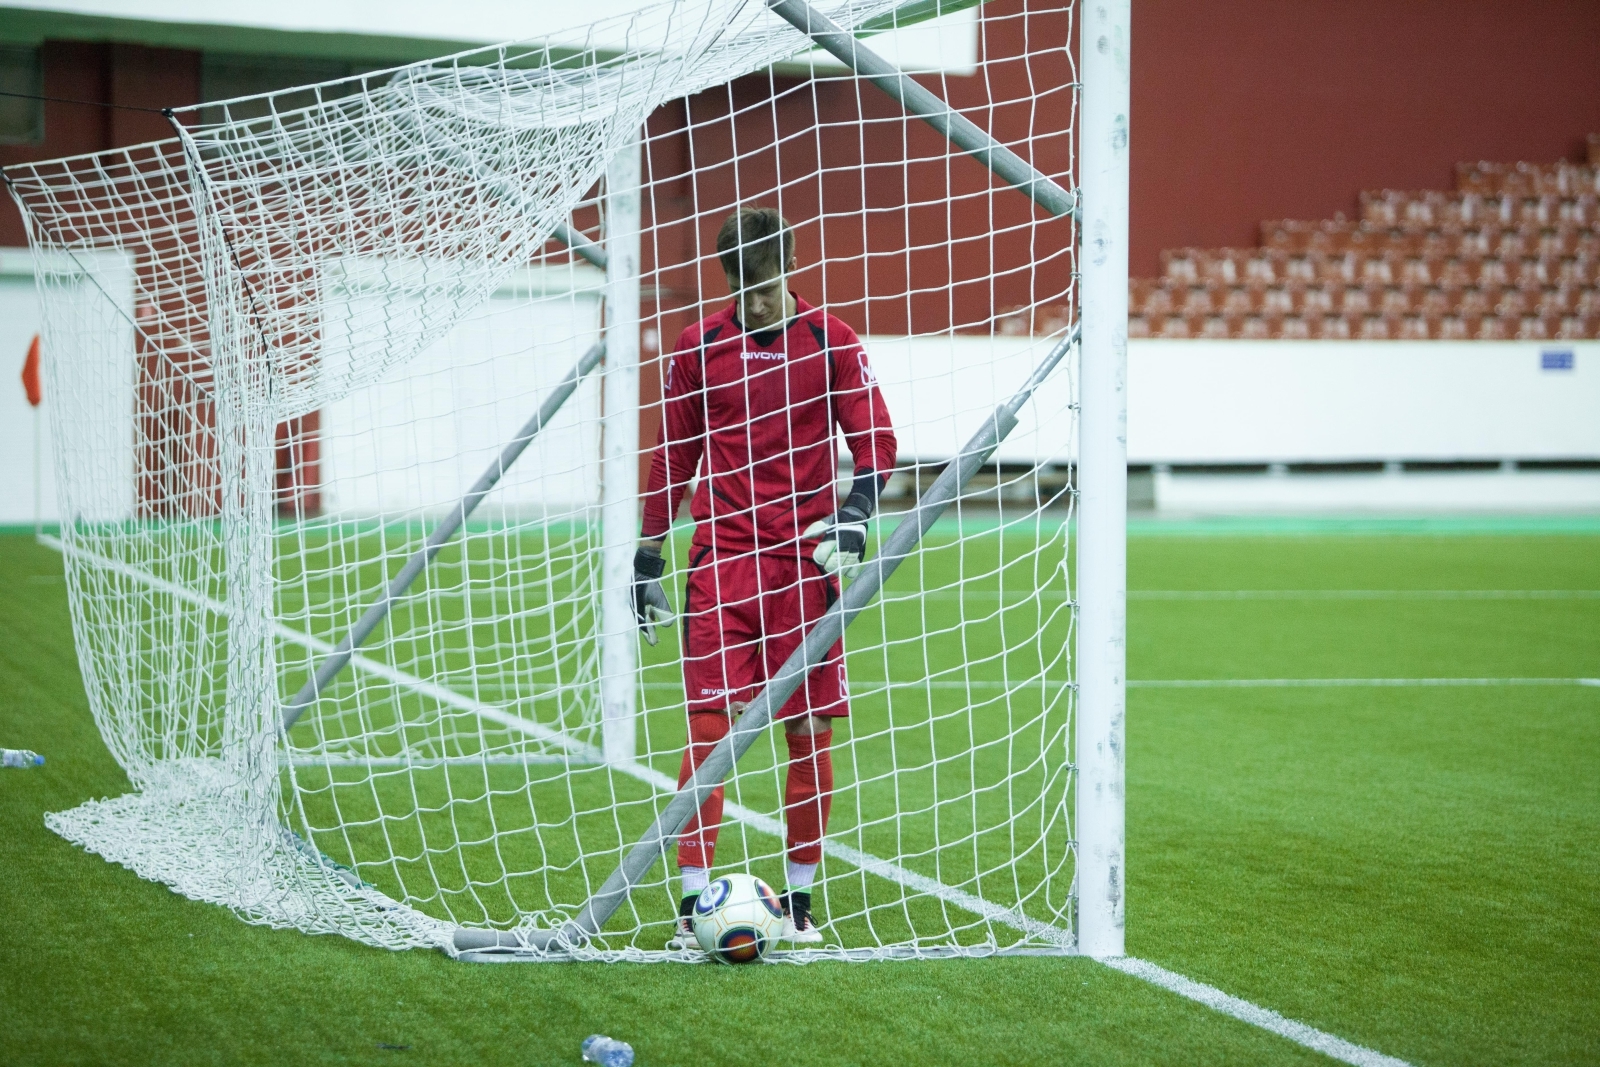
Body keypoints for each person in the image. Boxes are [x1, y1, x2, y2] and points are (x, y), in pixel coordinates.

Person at [632, 206, 897, 947]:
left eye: (766, 288)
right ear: (727, 282)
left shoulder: (832, 340)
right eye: (742, 292)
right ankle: (692, 907)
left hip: (805, 570)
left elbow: (876, 438)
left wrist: (856, 512)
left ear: (791, 268)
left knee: (810, 732)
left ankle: (801, 901)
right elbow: (673, 456)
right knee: (709, 731)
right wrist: (648, 554)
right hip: (721, 566)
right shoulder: (697, 347)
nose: (754, 304)